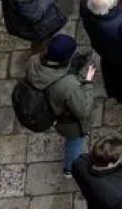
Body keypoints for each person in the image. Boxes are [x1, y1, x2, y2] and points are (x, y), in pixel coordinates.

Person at [26, 34, 97, 175]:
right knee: (74, 143)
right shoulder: (67, 85)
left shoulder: (34, 61)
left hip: (49, 107)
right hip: (69, 124)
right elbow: (84, 110)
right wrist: (88, 82)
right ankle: (70, 168)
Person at [71, 136, 122, 209]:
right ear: (110, 164)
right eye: (120, 158)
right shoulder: (120, 193)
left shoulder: (80, 162)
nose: (121, 158)